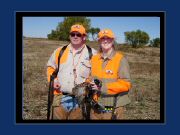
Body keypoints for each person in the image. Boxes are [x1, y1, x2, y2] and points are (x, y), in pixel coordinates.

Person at [47, 24, 96, 120]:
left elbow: (97, 74)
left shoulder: (93, 54)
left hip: (81, 101)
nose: (75, 36)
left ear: (84, 37)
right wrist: (53, 80)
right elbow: (50, 68)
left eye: (78, 34)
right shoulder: (60, 51)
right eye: (72, 34)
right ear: (69, 36)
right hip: (59, 98)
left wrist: (89, 82)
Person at [89, 29, 131, 120]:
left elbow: (126, 84)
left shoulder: (120, 59)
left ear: (113, 40)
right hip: (95, 106)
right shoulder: (94, 59)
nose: (105, 40)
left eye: (108, 38)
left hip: (111, 108)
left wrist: (102, 87)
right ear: (99, 41)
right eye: (102, 38)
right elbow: (89, 77)